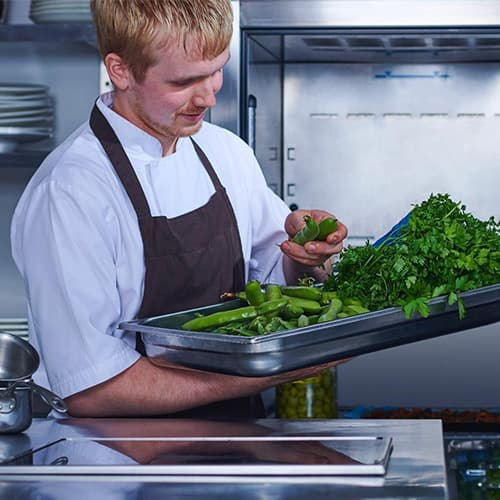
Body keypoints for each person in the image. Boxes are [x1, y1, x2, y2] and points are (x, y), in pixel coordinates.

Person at [10, 0, 349, 419]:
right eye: (185, 80)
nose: (208, 96)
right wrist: (265, 374)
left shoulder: (225, 152)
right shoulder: (70, 191)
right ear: (120, 70)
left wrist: (305, 253)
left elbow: (273, 282)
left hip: (239, 445)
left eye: (216, 69)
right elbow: (90, 388)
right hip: (119, 465)